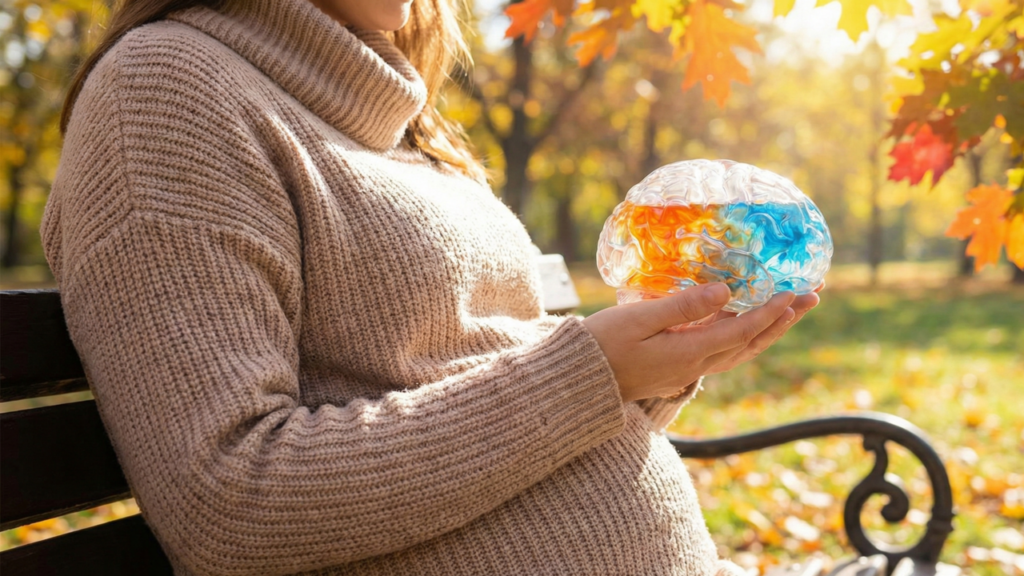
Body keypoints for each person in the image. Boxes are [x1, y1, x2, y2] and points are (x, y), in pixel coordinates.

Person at [41, 0, 820, 574]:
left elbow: (488, 372)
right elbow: (227, 501)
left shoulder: (402, 121)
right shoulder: (162, 93)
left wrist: (660, 364)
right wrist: (593, 372)